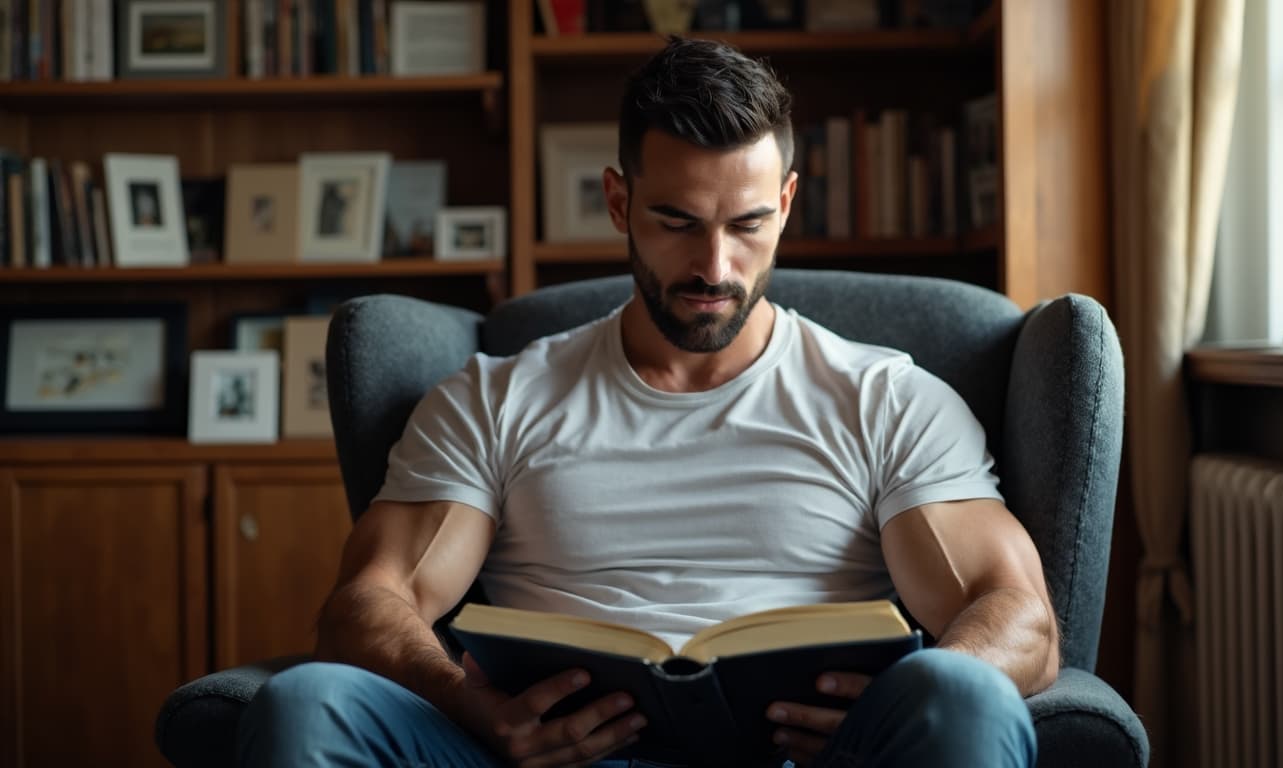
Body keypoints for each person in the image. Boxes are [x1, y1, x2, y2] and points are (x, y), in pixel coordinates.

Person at [237, 37, 1057, 768]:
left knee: (969, 696)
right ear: (620, 203)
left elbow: (1021, 618)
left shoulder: (886, 401)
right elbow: (365, 606)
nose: (715, 266)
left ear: (787, 206)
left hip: (810, 757)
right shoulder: (497, 399)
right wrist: (468, 707)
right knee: (306, 703)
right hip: (547, 756)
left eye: (747, 224)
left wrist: (886, 709)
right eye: (677, 221)